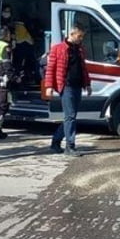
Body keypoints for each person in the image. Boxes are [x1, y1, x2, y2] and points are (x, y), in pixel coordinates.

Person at [44, 25, 92, 157]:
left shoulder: (80, 49)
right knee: (70, 116)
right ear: (71, 34)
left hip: (77, 86)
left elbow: (83, 68)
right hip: (66, 86)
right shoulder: (58, 48)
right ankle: (70, 147)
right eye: (79, 36)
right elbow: (50, 68)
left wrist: (87, 84)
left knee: (70, 117)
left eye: (82, 36)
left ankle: (55, 142)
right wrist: (48, 86)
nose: (81, 39)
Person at [13, 21, 38, 86]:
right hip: (26, 45)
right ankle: (28, 78)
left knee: (18, 64)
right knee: (28, 63)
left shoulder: (15, 26)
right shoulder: (25, 27)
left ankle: (19, 79)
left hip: (19, 46)